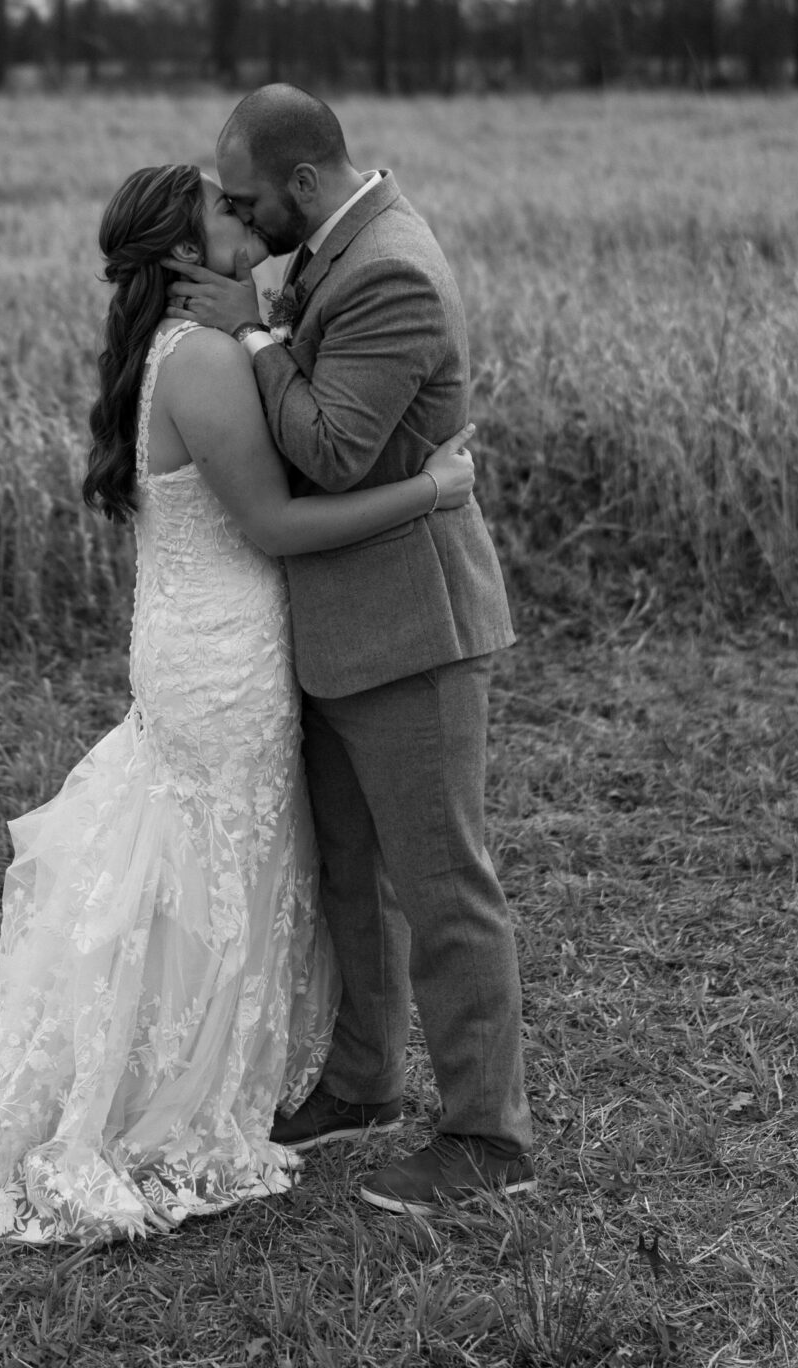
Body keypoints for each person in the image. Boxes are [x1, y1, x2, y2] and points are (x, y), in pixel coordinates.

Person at [0, 160, 477, 1246]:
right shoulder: (206, 359)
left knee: (195, 861)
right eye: (225, 207)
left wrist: (262, 329)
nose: (249, 212)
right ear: (180, 253)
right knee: (210, 865)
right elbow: (276, 522)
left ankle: (189, 1070)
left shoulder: (180, 348)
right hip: (223, 658)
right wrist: (435, 488)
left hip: (195, 641)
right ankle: (161, 1099)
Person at [170, 83, 533, 1216]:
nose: (238, 217)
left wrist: (253, 330)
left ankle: (489, 1137)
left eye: (245, 197)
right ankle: (367, 1081)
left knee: (443, 886)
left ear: (307, 184)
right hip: (340, 628)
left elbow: (330, 450)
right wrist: (263, 317)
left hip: (413, 631)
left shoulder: (389, 271)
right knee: (348, 877)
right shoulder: (336, 246)